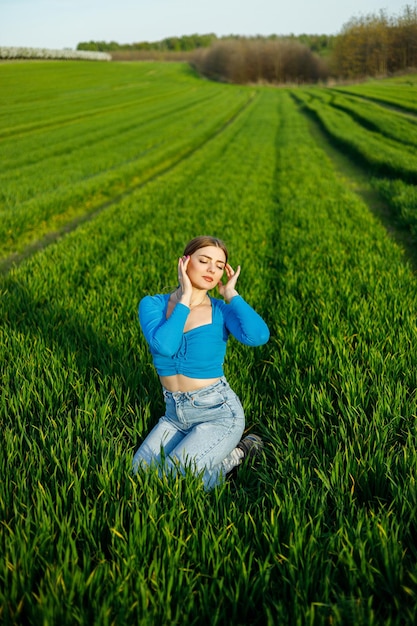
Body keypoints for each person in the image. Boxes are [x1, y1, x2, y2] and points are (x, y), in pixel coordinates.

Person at [132, 235, 270, 490]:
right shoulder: (152, 304)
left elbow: (258, 336)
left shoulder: (221, 311)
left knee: (172, 484)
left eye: (219, 266)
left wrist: (232, 295)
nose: (211, 270)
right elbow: (165, 345)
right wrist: (184, 298)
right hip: (174, 415)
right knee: (137, 476)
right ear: (184, 262)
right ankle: (218, 462)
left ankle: (233, 457)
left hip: (218, 412)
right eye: (204, 260)